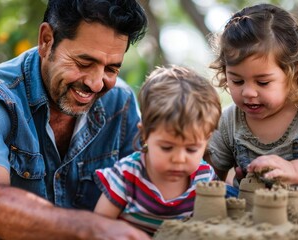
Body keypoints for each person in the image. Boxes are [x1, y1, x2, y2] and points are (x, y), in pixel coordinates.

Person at [0, 0, 151, 239]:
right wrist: (92, 229)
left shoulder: (119, 104)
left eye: (111, 69)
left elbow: (147, 191)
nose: (96, 83)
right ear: (46, 40)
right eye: (84, 63)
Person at [207, 3, 298, 228]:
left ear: (294, 73)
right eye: (237, 80)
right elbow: (212, 174)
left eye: (263, 82)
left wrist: (295, 170)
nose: (248, 92)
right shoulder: (230, 120)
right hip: (251, 210)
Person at [93, 66, 222, 235]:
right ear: (145, 134)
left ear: (206, 139)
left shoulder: (204, 179)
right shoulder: (128, 175)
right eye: (167, 147)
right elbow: (99, 226)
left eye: (191, 149)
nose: (179, 158)